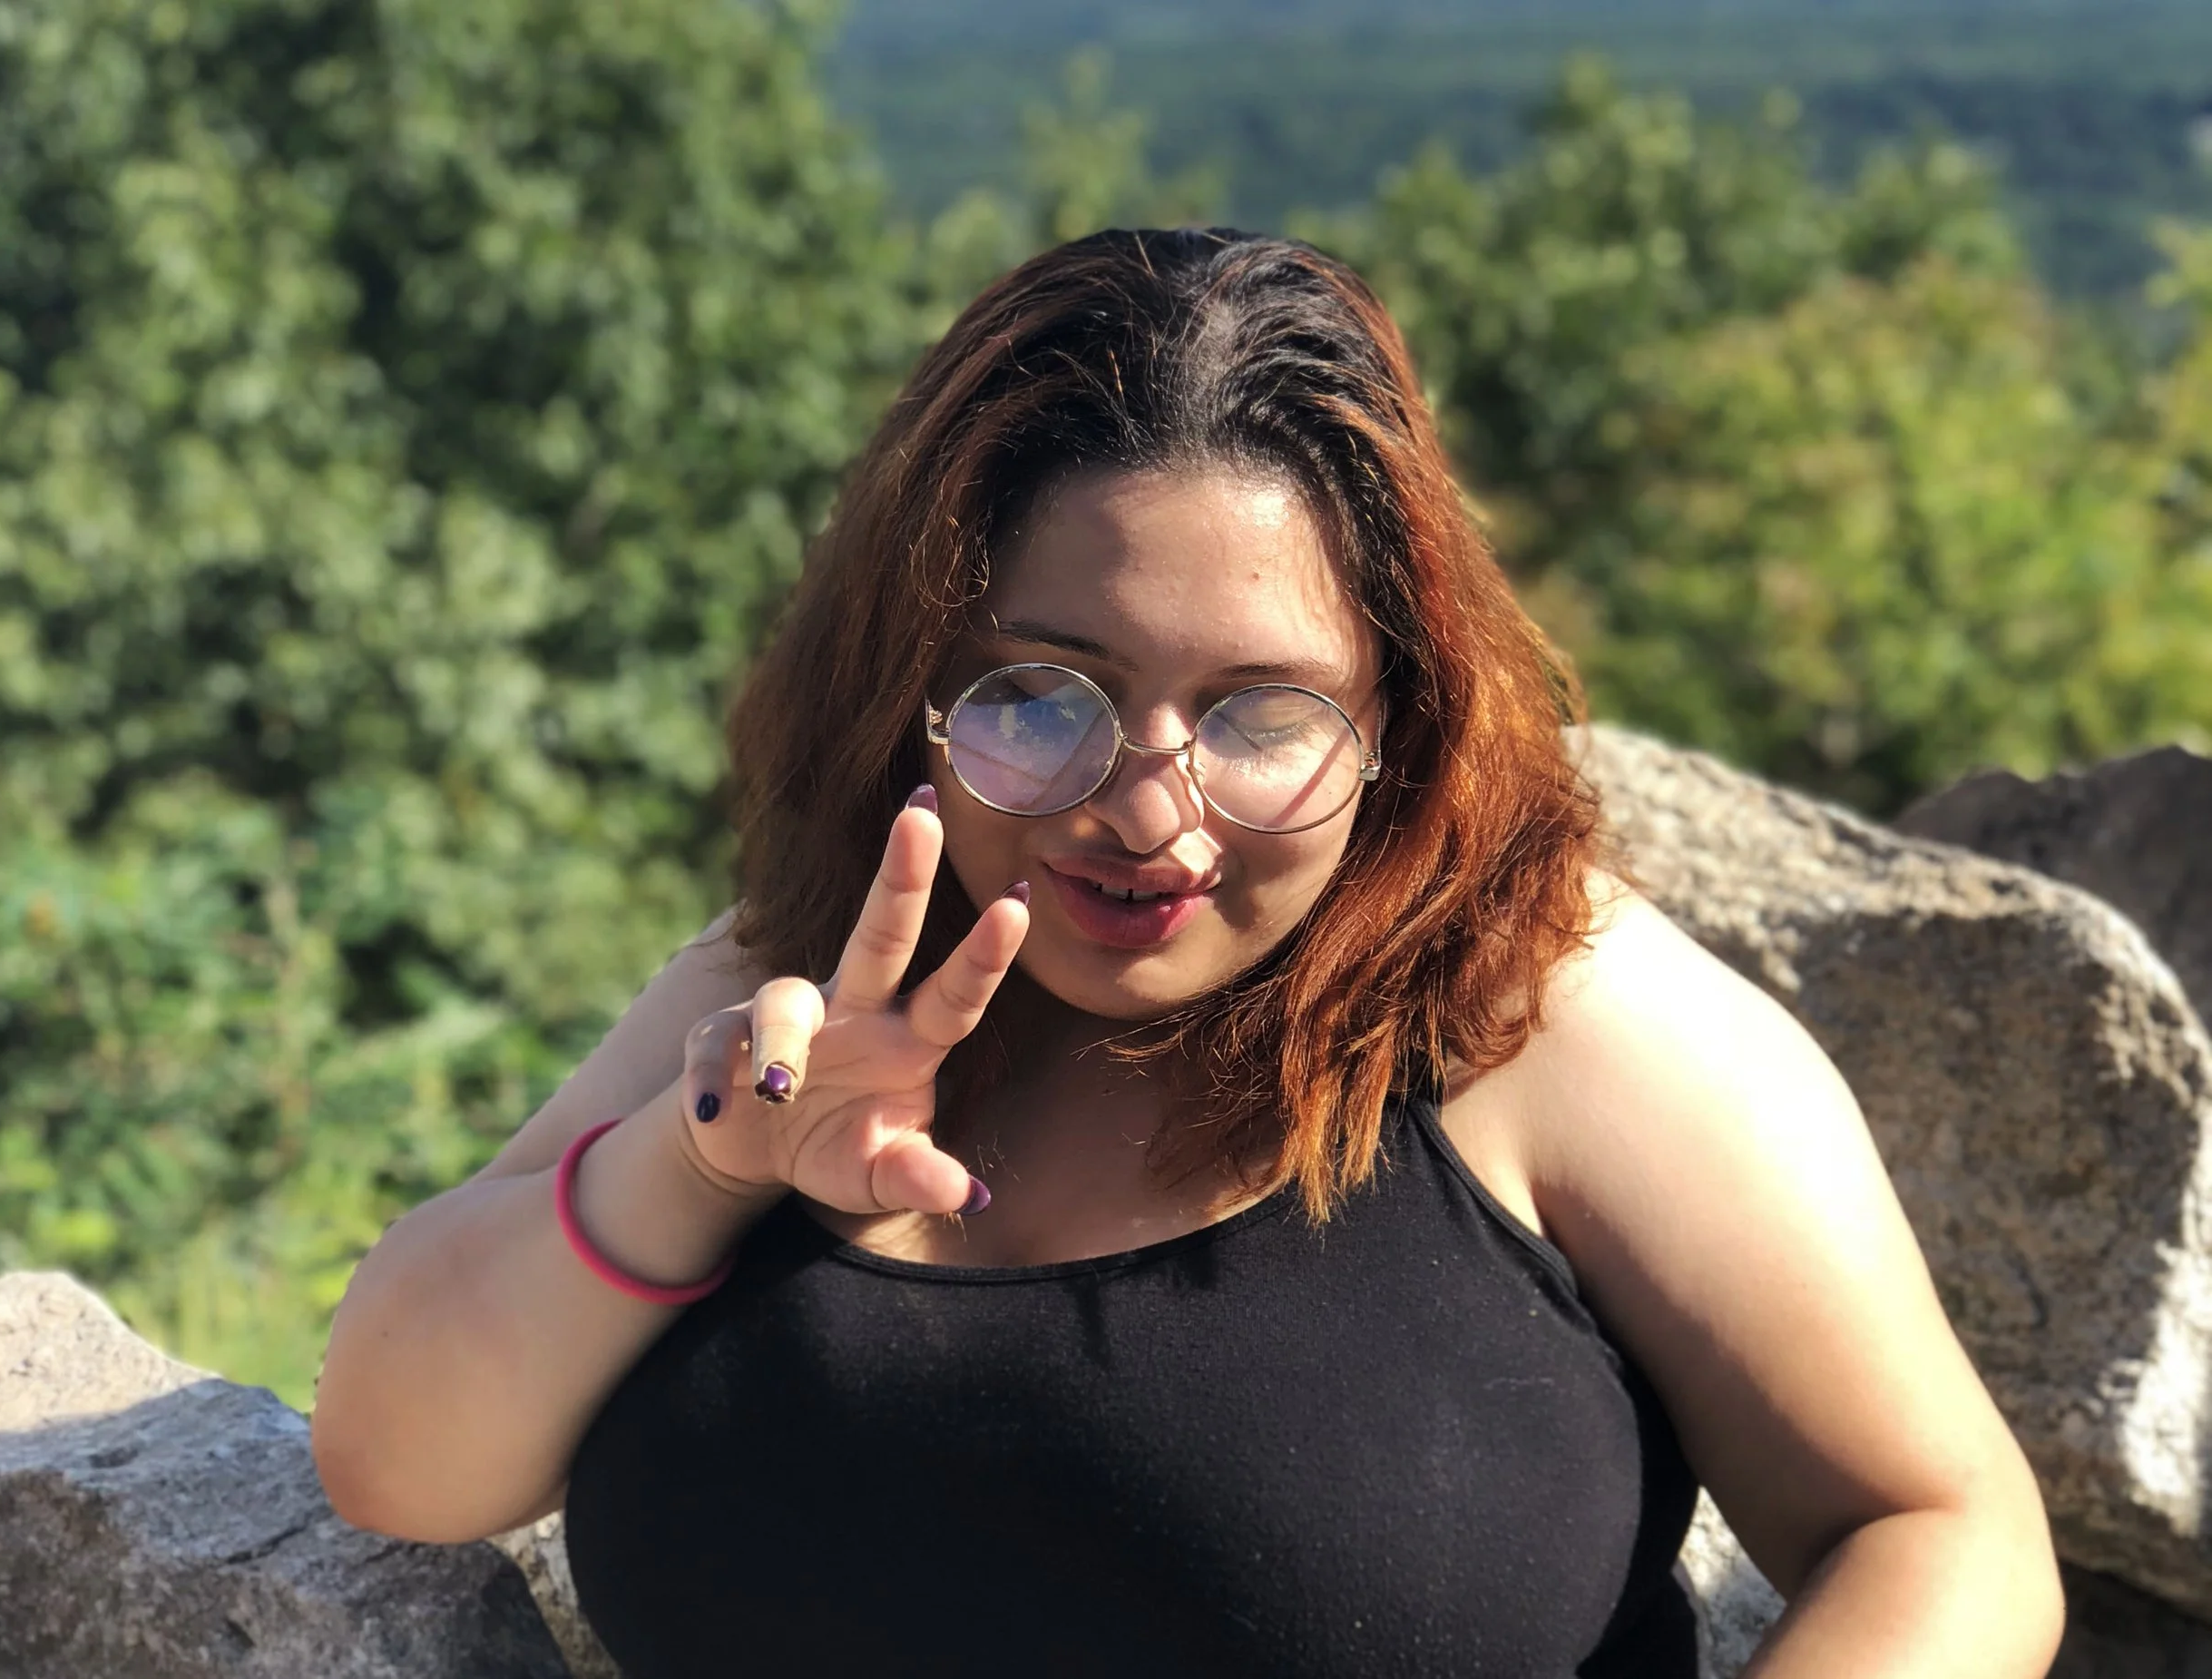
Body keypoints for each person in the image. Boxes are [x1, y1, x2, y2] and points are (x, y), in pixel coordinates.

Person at [310, 228, 2062, 1675]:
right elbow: (397, 1457)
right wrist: (708, 1156)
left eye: (1257, 712)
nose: (1147, 811)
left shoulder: (1553, 1025)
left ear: (1403, 714)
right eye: (1041, 693)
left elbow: (1946, 1532)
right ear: (910, 690)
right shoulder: (800, 990)